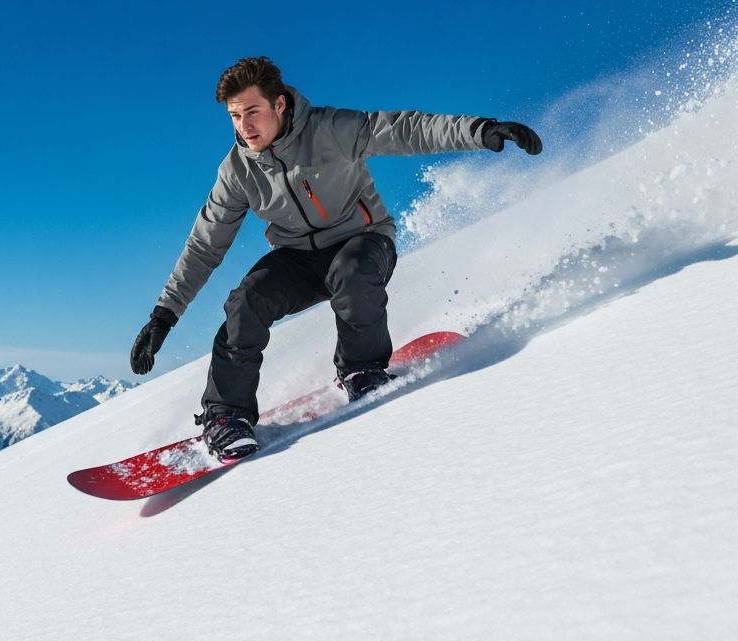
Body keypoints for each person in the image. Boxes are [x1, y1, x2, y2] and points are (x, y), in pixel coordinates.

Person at [130, 56, 542, 461]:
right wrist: (164, 314)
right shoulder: (237, 171)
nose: (244, 126)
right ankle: (226, 417)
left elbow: (404, 130)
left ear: (279, 104)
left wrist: (480, 130)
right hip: (298, 258)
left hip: (363, 241)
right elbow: (205, 244)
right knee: (248, 299)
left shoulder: (330, 129)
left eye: (252, 112)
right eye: (235, 116)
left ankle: (361, 369)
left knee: (353, 273)